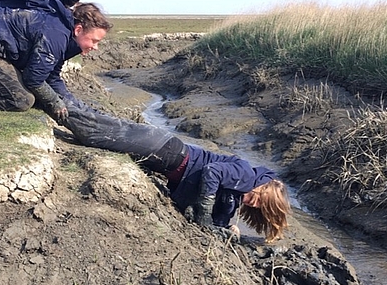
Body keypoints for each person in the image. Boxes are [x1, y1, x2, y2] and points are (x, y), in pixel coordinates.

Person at [60, 104, 291, 242]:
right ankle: (56, 106)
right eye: (259, 198)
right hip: (169, 151)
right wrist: (203, 212)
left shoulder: (235, 195)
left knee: (105, 135)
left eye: (259, 207)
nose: (253, 203)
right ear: (263, 187)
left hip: (166, 158)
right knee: (100, 134)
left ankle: (61, 106)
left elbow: (215, 221)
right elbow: (212, 172)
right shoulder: (246, 176)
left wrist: (227, 228)